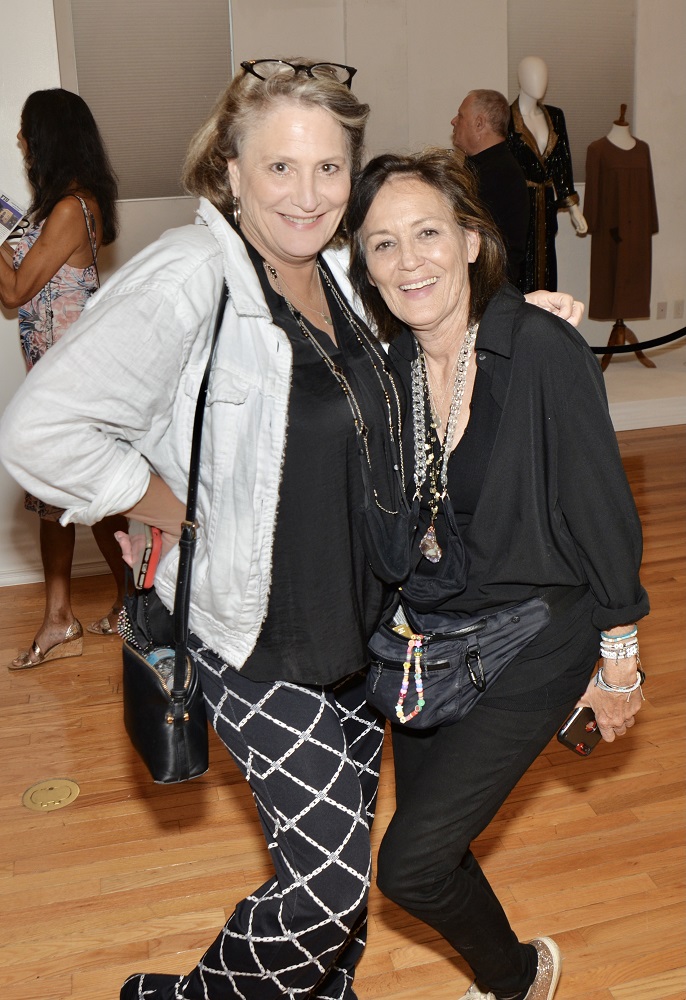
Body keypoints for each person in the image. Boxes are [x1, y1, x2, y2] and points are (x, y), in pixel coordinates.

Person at [0, 61, 581, 1000]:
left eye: (329, 170)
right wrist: (169, 505)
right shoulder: (193, 275)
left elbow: (429, 308)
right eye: (280, 169)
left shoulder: (343, 272)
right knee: (327, 884)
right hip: (253, 637)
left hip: (360, 630)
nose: (307, 197)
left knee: (333, 881)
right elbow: (38, 432)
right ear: (229, 171)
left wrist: (521, 324)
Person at [346, 148, 648, 1000]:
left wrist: (618, 662)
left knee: (407, 864)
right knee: (437, 849)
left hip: (536, 637)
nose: (411, 262)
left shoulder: (540, 348)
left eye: (429, 233)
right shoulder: (388, 369)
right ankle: (518, 976)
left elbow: (602, 508)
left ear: (473, 241)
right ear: (364, 268)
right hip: (429, 641)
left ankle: (516, 978)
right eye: (382, 245)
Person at [0, 88, 126, 669]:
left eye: (27, 131)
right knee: (56, 497)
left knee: (93, 500)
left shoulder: (74, 207)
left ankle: (135, 607)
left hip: (74, 381)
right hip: (51, 376)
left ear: (47, 135)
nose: (21, 141)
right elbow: (20, 276)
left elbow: (15, 289)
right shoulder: (57, 206)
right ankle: (64, 616)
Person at [507, 56, 586, 293]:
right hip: (517, 207)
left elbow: (563, 161)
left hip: (546, 206)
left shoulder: (555, 116)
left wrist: (573, 208)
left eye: (543, 75)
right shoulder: (506, 120)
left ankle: (544, 324)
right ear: (520, 78)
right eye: (533, 74)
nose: (539, 80)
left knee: (546, 270)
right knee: (520, 271)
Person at [451, 89, 529, 287]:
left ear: (479, 123)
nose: (453, 121)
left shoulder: (500, 173)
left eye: (460, 116)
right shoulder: (479, 166)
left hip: (489, 289)